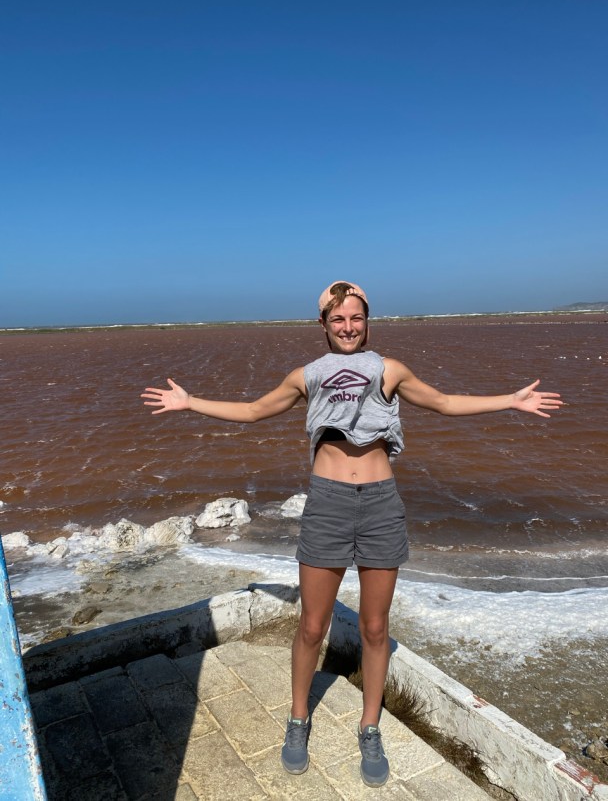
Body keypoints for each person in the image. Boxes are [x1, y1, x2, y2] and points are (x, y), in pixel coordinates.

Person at [141, 281, 563, 788]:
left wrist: (510, 401)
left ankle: (370, 726)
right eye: (338, 318)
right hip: (328, 505)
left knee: (375, 628)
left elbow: (444, 402)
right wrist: (190, 403)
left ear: (368, 322)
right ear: (322, 324)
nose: (348, 327)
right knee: (311, 626)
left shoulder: (391, 370)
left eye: (356, 317)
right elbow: (254, 411)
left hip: (381, 505)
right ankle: (298, 718)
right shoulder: (306, 376)